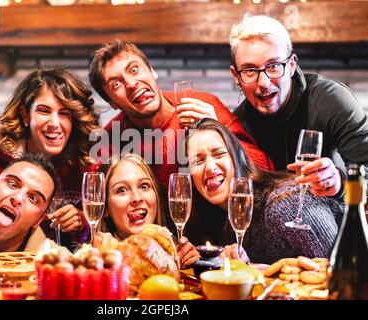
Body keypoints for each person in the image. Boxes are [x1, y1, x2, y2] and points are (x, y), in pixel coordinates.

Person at [88, 39, 273, 199]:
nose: (131, 83)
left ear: (152, 71)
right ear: (112, 102)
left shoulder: (201, 104)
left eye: (134, 69)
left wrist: (220, 131)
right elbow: (97, 200)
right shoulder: (112, 138)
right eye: (116, 83)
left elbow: (265, 169)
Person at [229, 14, 368, 199]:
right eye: (250, 70)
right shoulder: (238, 124)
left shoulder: (331, 100)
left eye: (274, 66)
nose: (263, 82)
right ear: (236, 76)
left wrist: (340, 183)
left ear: (292, 64)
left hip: (334, 219)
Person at [184, 118, 343, 264]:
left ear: (237, 157)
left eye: (219, 154)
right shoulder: (218, 221)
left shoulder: (283, 205)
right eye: (197, 161)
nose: (210, 167)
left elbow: (338, 275)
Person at [0, 68, 100, 246]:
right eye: (44, 111)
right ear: (26, 114)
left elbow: (94, 236)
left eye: (64, 114)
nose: (54, 124)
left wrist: (80, 223)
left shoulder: (87, 164)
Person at [95, 153, 199, 267]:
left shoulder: (174, 251)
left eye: (144, 186)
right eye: (122, 190)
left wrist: (195, 265)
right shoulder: (93, 258)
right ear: (104, 208)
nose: (137, 198)